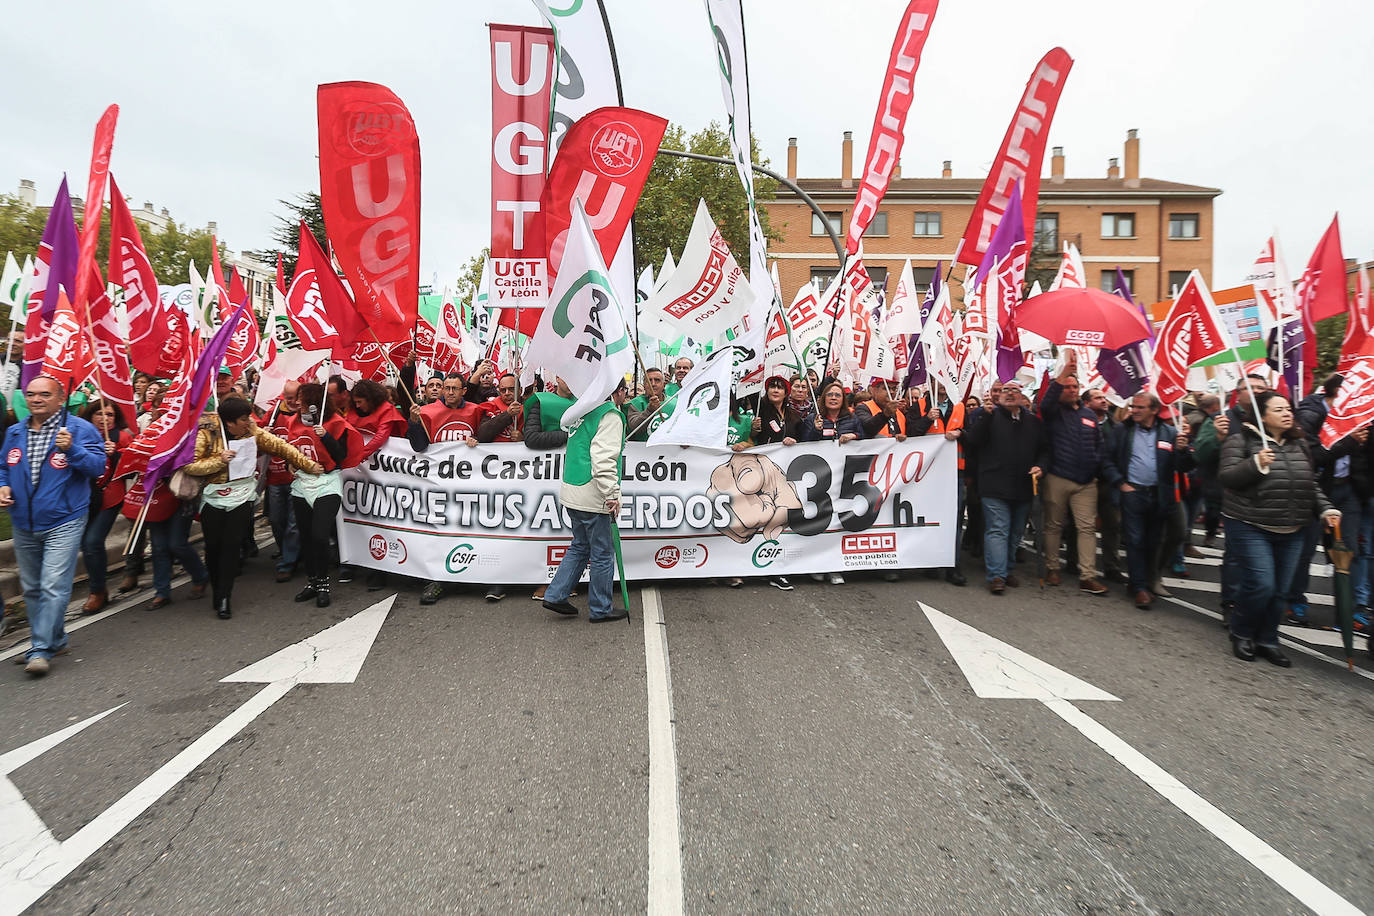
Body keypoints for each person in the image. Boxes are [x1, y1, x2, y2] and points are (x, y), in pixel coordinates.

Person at [1219, 390, 1339, 666]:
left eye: (1288, 409)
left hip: (1292, 526)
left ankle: (1267, 640)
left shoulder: (1299, 445)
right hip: (1250, 523)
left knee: (1281, 591)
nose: (1287, 413)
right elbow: (1227, 477)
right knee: (1261, 584)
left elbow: (1309, 483)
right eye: (1279, 410)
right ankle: (1242, 632)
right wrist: (1256, 463)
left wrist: (1325, 508)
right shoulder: (1240, 441)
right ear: (1262, 416)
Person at [0, 376, 106, 675]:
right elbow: (3, 468)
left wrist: (72, 449)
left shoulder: (80, 429)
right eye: (31, 394)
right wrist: (3, 486)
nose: (36, 400)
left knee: (52, 585)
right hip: (23, 521)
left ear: (61, 399)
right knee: (32, 587)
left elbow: (98, 468)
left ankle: (40, 648)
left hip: (65, 519)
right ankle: (55, 639)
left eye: (44, 394)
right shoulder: (15, 431)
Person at [182, 399, 321, 618]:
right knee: (214, 547)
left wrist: (308, 464)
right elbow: (190, 464)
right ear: (229, 422)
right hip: (213, 497)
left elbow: (280, 446)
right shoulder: (207, 432)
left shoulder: (252, 431)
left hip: (242, 495)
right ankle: (217, 589)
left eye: (249, 418)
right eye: (244, 419)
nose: (249, 422)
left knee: (231, 545)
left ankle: (225, 596)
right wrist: (219, 460)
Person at [543, 382, 630, 623]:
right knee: (602, 553)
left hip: (573, 489)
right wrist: (612, 493)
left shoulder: (581, 410)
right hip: (593, 494)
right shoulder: (610, 415)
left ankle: (556, 593)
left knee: (580, 545)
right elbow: (603, 460)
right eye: (625, 390)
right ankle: (601, 608)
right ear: (618, 391)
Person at [1101, 392, 1195, 609]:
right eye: (1133, 406)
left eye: (1140, 407)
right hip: (1133, 494)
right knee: (1134, 540)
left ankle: (1143, 581)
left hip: (1159, 496)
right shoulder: (1122, 430)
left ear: (1154, 410)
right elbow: (1106, 460)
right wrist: (1120, 483)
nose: (1134, 410)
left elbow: (1184, 467)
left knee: (1154, 541)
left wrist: (1183, 451)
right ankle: (1140, 587)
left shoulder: (1170, 432)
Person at [963, 379, 1045, 595]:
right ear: (998, 396)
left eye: (1014, 390)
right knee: (998, 529)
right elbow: (973, 441)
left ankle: (1006, 569)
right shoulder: (988, 416)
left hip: (1023, 488)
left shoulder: (1032, 422)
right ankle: (996, 575)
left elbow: (1044, 450)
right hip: (994, 486)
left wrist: (1040, 466)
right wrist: (986, 417)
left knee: (1016, 532)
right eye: (1005, 390)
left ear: (1021, 395)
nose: (1009, 394)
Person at [408, 373, 484, 604]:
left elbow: (489, 443)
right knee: (440, 532)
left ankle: (476, 572)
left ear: (464, 391)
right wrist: (413, 423)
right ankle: (438, 580)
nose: (450, 392)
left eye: (454, 388)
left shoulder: (475, 411)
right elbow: (419, 446)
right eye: (446, 388)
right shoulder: (428, 412)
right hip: (439, 486)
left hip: (470, 484)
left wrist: (478, 439)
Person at [1037, 356, 1109, 596]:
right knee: (1054, 526)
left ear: (1080, 390)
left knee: (1087, 528)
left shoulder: (1089, 416)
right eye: (1066, 387)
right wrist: (1063, 373)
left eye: (1074, 387)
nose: (1071, 390)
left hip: (1086, 482)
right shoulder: (1053, 412)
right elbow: (1045, 403)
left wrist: (1095, 467)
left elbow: (1099, 446)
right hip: (1057, 477)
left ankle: (1088, 576)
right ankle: (1052, 568)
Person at [285, 382, 360, 608]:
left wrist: (326, 436)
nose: (298, 403)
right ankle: (313, 582)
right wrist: (290, 461)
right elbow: (292, 450)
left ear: (315, 403)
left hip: (327, 483)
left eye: (302, 399)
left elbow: (341, 456)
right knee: (306, 537)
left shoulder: (336, 424)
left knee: (319, 535)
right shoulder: (294, 422)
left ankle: (325, 583)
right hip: (302, 484)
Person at [802, 378, 862, 585]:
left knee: (840, 522)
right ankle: (818, 565)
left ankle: (835, 567)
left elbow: (864, 442)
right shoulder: (814, 418)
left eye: (838, 395)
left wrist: (854, 436)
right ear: (823, 398)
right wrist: (815, 429)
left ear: (843, 399)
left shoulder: (852, 419)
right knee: (820, 520)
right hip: (820, 480)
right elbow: (805, 445)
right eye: (830, 394)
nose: (834, 398)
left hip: (844, 480)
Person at [523, 376, 577, 601]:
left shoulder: (588, 402)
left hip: (575, 473)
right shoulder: (541, 402)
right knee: (547, 526)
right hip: (544, 477)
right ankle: (545, 580)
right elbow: (532, 437)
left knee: (572, 529)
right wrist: (571, 436)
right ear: (556, 377)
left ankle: (569, 579)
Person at [79, 400, 133, 613]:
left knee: (92, 542)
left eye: (109, 415)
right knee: (87, 545)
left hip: (110, 496)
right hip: (83, 498)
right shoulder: (77, 433)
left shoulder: (123, 437)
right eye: (99, 413)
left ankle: (97, 591)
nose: (104, 418)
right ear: (91, 415)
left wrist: (118, 454)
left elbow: (135, 467)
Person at [913, 386, 969, 587]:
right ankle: (931, 562)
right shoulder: (919, 406)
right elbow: (911, 433)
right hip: (927, 473)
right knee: (929, 518)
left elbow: (973, 436)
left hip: (954, 472)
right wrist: (927, 418)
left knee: (954, 520)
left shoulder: (960, 407)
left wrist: (961, 433)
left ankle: (953, 566)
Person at [265, 381, 303, 583]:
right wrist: (264, 435)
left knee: (293, 523)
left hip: (298, 478)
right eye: (290, 398)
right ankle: (288, 552)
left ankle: (288, 562)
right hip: (275, 476)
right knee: (276, 519)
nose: (295, 402)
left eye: (298, 397)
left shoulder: (307, 414)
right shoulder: (272, 414)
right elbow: (256, 437)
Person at [624, 367, 673, 441]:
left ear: (664, 385)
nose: (653, 384)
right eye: (649, 381)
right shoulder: (635, 403)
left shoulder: (674, 402)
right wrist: (649, 411)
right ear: (644, 385)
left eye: (657, 380)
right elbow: (634, 429)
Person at [477, 373, 525, 444]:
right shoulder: (489, 407)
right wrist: (507, 414)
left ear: (520, 390)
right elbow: (482, 435)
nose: (507, 393)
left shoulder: (528, 409)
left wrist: (523, 439)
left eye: (512, 389)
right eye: (503, 390)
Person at [753, 376, 801, 446]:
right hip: (765, 455)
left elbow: (801, 438)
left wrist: (794, 441)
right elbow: (752, 392)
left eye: (780, 388)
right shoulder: (761, 409)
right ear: (767, 391)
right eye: (772, 387)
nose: (775, 390)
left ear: (785, 394)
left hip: (789, 455)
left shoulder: (794, 415)